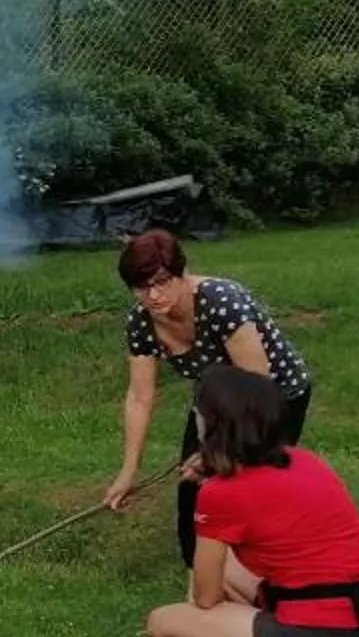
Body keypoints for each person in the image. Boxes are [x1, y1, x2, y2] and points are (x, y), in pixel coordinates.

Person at [145, 366, 359, 637]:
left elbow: (205, 597)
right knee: (230, 569)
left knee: (165, 626)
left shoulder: (220, 494)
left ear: (212, 423)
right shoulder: (306, 461)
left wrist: (210, 494)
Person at [102, 227, 315, 567]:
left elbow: (257, 385)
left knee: (250, 483)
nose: (153, 295)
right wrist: (129, 471)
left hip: (275, 396)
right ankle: (200, 576)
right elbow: (140, 397)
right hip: (215, 400)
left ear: (181, 273)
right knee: (194, 489)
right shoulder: (142, 322)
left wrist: (216, 451)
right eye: (141, 287)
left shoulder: (221, 301)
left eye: (162, 281)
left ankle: (266, 569)